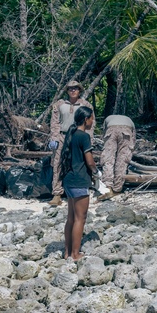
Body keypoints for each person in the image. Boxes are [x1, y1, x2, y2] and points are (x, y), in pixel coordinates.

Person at [60, 106, 96, 260]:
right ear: (86, 119)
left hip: (68, 180)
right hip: (79, 180)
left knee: (71, 218)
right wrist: (96, 172)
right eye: (92, 118)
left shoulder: (71, 134)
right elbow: (89, 161)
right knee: (81, 218)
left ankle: (67, 252)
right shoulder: (84, 136)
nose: (93, 121)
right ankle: (75, 254)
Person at [48, 80, 91, 206]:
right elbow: (54, 122)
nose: (73, 90)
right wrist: (54, 138)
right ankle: (57, 193)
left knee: (78, 163)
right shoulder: (60, 104)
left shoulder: (85, 105)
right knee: (58, 163)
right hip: (62, 136)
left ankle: (78, 190)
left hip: (78, 136)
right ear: (67, 91)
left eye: (76, 88)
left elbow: (90, 123)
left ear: (80, 90)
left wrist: (89, 139)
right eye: (70, 88)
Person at [98, 114, 135, 201]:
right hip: (127, 129)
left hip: (111, 130)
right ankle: (117, 188)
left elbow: (104, 133)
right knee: (122, 160)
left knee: (108, 159)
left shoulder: (108, 118)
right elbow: (133, 138)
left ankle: (108, 188)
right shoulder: (129, 119)